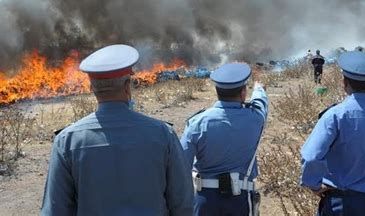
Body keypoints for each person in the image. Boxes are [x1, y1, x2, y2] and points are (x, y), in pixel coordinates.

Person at [41, 44, 194, 216]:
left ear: (92, 88)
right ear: (128, 86)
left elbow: (55, 210)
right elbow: (183, 203)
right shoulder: (163, 134)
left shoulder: (67, 141)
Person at [301, 51, 365, 216]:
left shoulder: (334, 115)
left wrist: (314, 185)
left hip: (339, 205)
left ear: (345, 83)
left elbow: (311, 157)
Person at [180, 63, 268, 216]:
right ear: (243, 93)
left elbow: (181, 165)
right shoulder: (255, 118)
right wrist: (259, 89)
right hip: (240, 199)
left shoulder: (197, 122)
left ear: (217, 91)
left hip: (204, 199)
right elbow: (261, 104)